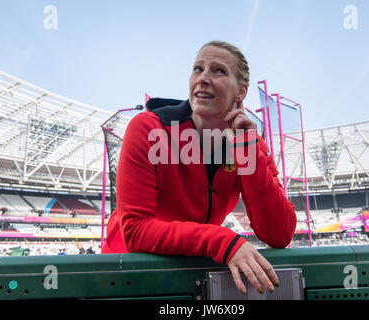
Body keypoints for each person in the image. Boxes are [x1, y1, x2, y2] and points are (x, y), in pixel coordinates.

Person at [102, 40, 297, 295]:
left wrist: (248, 150)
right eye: (198, 69)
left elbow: (278, 233)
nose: (203, 78)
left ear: (241, 92)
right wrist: (223, 241)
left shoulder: (250, 142)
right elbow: (136, 231)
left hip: (192, 277)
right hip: (129, 278)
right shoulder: (147, 128)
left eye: (219, 71)